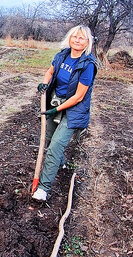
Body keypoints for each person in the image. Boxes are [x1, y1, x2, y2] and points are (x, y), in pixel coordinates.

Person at [32, 25, 98, 201]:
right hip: (55, 101)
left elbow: (78, 96)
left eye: (81, 38)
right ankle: (61, 164)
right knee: (49, 140)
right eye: (74, 36)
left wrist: (56, 110)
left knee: (54, 148)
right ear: (70, 38)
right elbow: (50, 71)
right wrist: (44, 83)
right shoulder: (62, 55)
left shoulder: (87, 65)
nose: (77, 40)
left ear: (87, 42)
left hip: (73, 110)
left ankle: (43, 188)